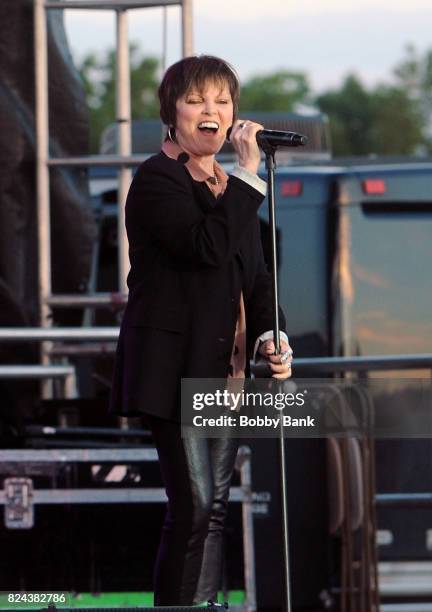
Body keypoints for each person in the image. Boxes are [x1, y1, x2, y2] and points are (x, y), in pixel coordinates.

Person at [110, 55, 293, 605]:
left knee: (213, 508)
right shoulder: (156, 180)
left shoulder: (227, 186)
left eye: (222, 101)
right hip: (173, 370)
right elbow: (207, 249)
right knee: (191, 505)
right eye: (197, 100)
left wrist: (271, 336)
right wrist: (246, 174)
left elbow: (255, 276)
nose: (211, 111)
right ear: (173, 113)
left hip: (224, 371)